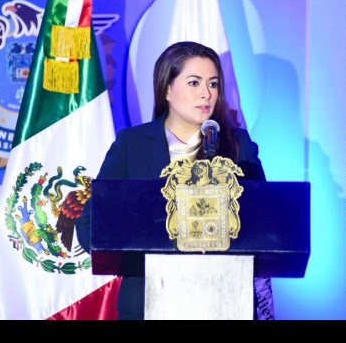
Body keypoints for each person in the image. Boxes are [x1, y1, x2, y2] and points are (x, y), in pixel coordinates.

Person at [77, 40, 273, 320]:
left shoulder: (238, 145)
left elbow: (265, 220)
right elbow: (92, 223)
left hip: (224, 301)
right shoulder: (132, 144)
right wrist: (141, 251)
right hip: (149, 300)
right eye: (194, 83)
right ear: (167, 89)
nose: (206, 93)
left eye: (213, 84)